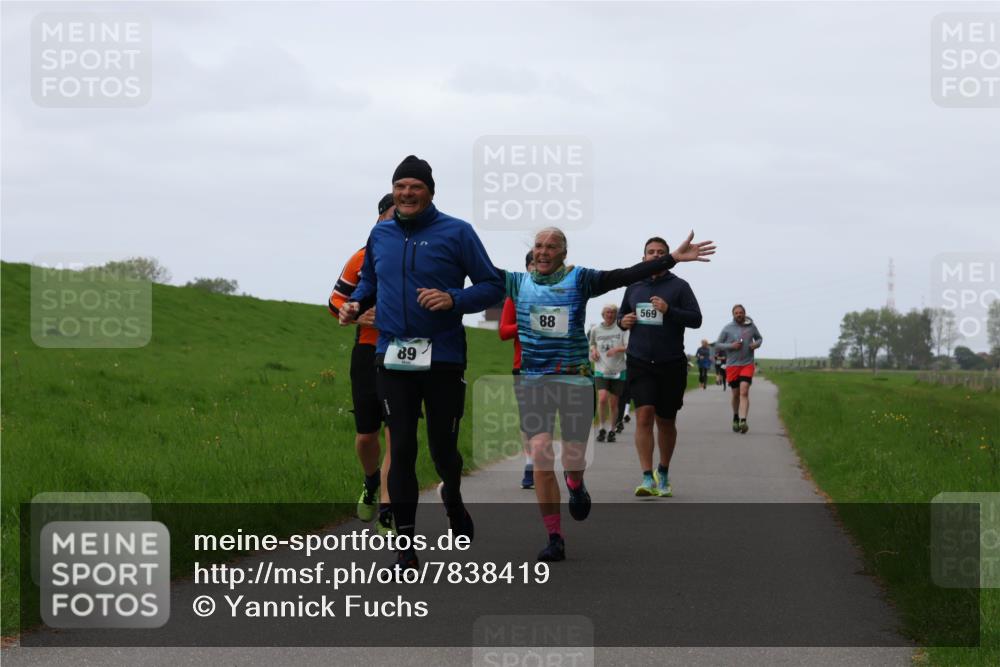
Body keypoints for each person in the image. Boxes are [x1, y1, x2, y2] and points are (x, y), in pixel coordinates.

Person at [500, 227, 714, 562]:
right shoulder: (519, 285)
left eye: (550, 246)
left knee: (574, 457)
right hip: (539, 379)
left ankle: (576, 483)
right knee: (541, 453)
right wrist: (450, 299)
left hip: (582, 377)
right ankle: (554, 536)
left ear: (564, 252)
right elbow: (479, 285)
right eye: (538, 246)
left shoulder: (583, 281)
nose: (542, 251)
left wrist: (673, 265)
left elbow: (624, 275)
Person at [339, 155, 505, 569]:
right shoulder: (381, 236)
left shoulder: (457, 232)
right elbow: (370, 282)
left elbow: (492, 284)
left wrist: (455, 299)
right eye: (400, 187)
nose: (407, 194)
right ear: (393, 193)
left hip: (444, 356)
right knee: (404, 445)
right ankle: (406, 546)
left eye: (415, 187)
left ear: (430, 192)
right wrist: (356, 303)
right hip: (392, 356)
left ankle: (452, 492)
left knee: (443, 449)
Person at [328, 193, 396, 536]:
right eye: (394, 216)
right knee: (366, 436)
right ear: (381, 218)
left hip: (405, 352)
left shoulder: (418, 255)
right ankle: (370, 482)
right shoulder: (362, 256)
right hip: (368, 352)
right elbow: (335, 299)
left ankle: (387, 507)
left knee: (396, 433)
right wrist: (355, 315)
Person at [619, 237, 704, 498]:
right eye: (650, 252)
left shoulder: (679, 287)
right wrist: (625, 321)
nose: (655, 255)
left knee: (666, 421)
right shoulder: (633, 286)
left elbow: (696, 320)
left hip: (670, 362)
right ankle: (646, 477)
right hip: (639, 360)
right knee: (643, 415)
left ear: (669, 257)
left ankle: (663, 472)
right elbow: (622, 316)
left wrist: (669, 310)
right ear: (643, 257)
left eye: (661, 252)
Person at [499, 250, 537, 489]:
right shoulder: (515, 296)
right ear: (527, 267)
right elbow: (503, 332)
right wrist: (526, 323)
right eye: (533, 263)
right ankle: (531, 464)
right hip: (523, 366)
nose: (538, 267)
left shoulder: (561, 295)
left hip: (556, 365)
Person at [715, 305, 763, 434]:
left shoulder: (751, 327)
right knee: (736, 394)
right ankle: (736, 416)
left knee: (744, 391)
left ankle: (743, 420)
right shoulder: (727, 328)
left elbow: (759, 338)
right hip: (732, 365)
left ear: (744, 313)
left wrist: (756, 344)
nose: (739, 315)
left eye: (741, 312)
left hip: (747, 364)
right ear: (733, 314)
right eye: (736, 313)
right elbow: (717, 344)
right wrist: (731, 346)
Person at [588, 304, 628, 443]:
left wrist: (616, 350)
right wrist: (593, 351)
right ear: (603, 314)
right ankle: (601, 428)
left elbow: (628, 346)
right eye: (607, 312)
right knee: (603, 398)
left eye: (612, 312)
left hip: (618, 370)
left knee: (613, 402)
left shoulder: (622, 329)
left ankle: (612, 430)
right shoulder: (595, 329)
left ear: (616, 314)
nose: (610, 315)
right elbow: (592, 343)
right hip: (601, 369)